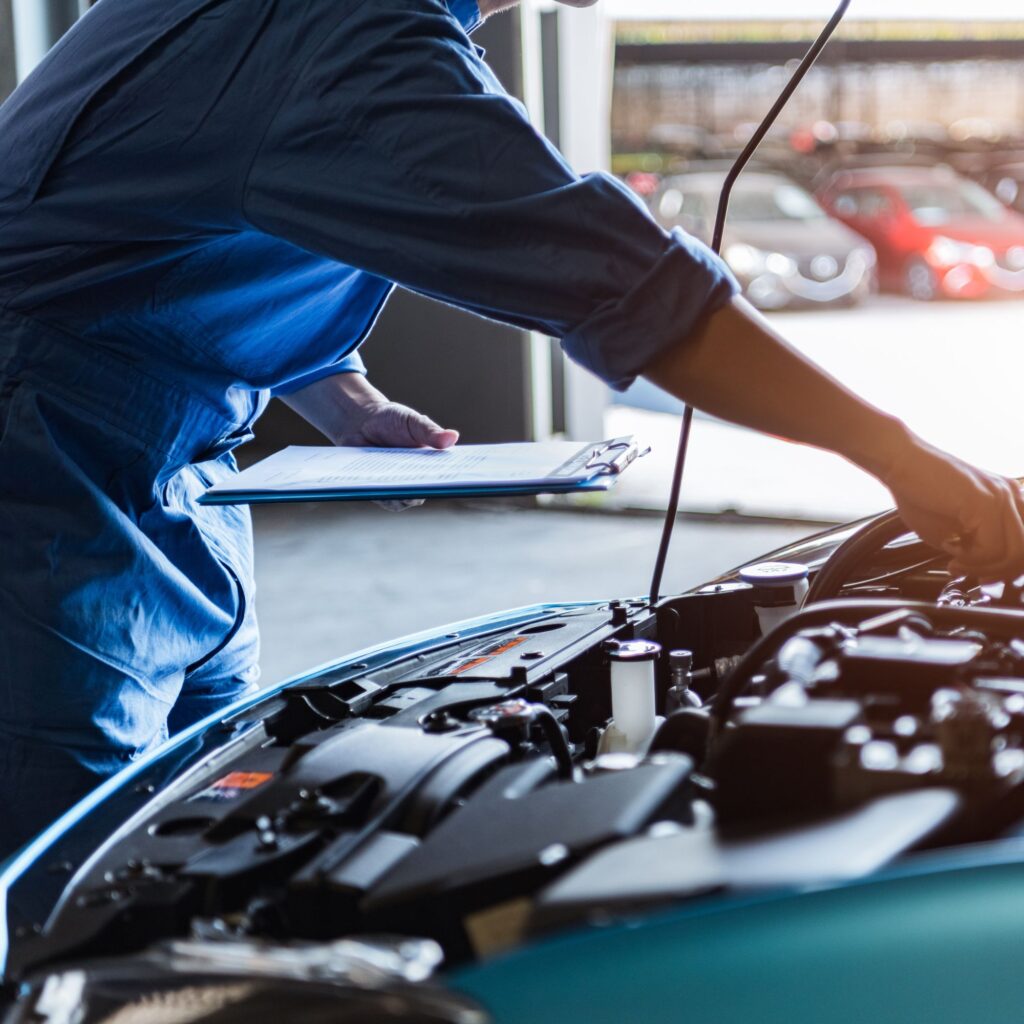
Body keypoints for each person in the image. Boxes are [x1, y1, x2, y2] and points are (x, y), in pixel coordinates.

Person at [0, 0, 1021, 858]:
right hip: (45, 469)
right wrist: (897, 455)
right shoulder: (347, 37)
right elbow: (630, 289)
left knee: (195, 819)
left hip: (163, 470)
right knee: (64, 863)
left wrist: (340, 395)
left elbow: (173, 220)